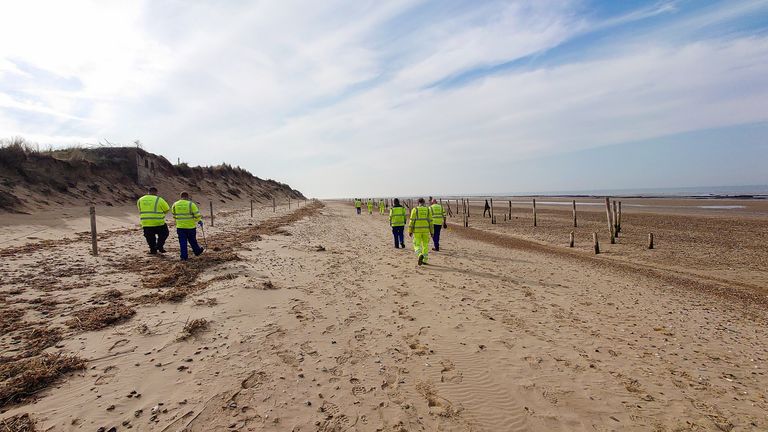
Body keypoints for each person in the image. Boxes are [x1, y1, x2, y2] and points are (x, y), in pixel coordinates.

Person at [171, 192, 205, 261]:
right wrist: (199, 221)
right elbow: (197, 214)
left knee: (182, 242)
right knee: (192, 240)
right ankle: (197, 251)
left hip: (180, 227)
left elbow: (173, 214)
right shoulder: (191, 204)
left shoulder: (175, 204)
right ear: (187, 197)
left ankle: (184, 257)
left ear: (181, 196)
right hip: (190, 227)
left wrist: (177, 220)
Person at [136, 186, 170, 254]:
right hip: (158, 222)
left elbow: (140, 209)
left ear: (148, 192)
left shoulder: (140, 199)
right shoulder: (159, 199)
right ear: (156, 192)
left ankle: (153, 250)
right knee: (164, 234)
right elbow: (167, 209)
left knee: (150, 237)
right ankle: (159, 246)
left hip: (146, 222)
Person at [408, 198, 433, 266]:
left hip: (417, 231)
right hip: (426, 231)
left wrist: (410, 231)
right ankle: (424, 260)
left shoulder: (415, 210)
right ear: (424, 202)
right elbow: (431, 222)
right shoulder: (428, 210)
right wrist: (432, 232)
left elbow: (411, 221)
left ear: (418, 202)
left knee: (416, 244)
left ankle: (419, 255)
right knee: (425, 245)